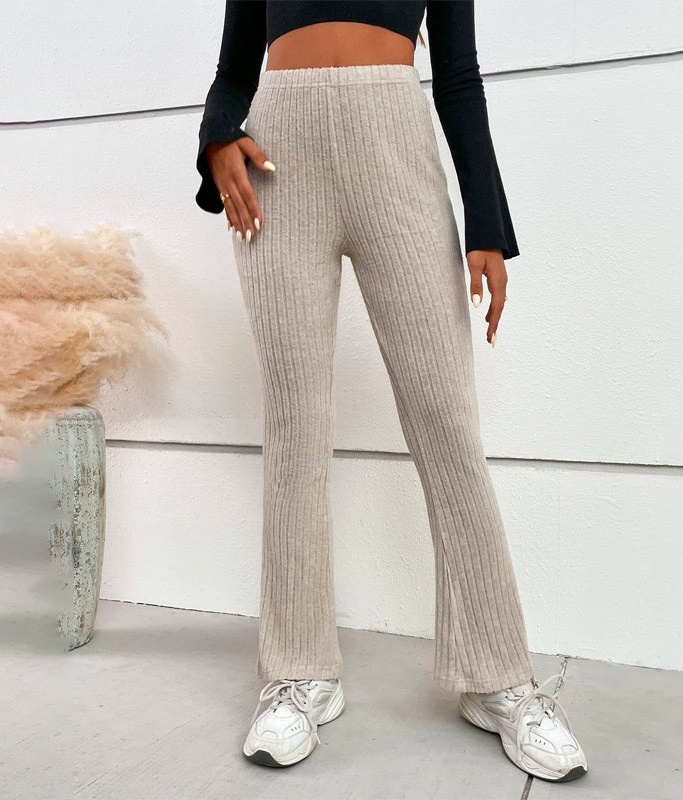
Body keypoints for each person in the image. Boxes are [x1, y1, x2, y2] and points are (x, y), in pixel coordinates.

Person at [195, 0, 588, 783]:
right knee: (295, 422)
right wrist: (215, 141)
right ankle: (299, 670)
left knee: (445, 419)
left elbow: (459, 76)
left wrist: (487, 225)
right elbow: (235, 69)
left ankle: (498, 676)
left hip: (394, 143)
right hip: (278, 158)